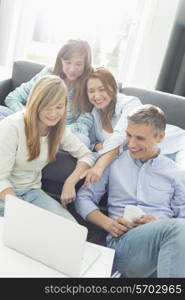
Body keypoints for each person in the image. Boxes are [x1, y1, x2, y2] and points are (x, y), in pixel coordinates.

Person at [75, 105, 185, 278]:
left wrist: (156, 225)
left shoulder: (176, 173)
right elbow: (83, 198)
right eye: (128, 135)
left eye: (140, 138)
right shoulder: (113, 162)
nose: (131, 144)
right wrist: (107, 223)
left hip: (165, 249)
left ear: (160, 137)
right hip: (123, 245)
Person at [0, 75, 95, 218]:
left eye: (59, 107)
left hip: (32, 191)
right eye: (47, 107)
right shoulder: (12, 126)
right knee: (25, 229)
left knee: (69, 227)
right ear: (36, 104)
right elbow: (1, 179)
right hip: (5, 194)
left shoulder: (58, 129)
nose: (53, 114)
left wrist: (70, 182)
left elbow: (87, 155)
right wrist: (19, 210)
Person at [81, 67, 185, 186]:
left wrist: (100, 165)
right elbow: (90, 144)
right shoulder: (94, 114)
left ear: (113, 88)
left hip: (177, 144)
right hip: (151, 159)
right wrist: (96, 146)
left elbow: (121, 138)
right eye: (91, 91)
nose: (97, 95)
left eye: (102, 89)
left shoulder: (130, 103)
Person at [0, 39, 94, 147]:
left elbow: (84, 123)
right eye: (68, 63)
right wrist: (32, 119)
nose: (72, 69)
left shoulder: (88, 84)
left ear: (86, 64)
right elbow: (13, 98)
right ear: (61, 60)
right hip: (30, 124)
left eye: (78, 64)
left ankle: (31, 142)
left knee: (83, 140)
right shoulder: (49, 73)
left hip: (60, 134)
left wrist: (52, 128)